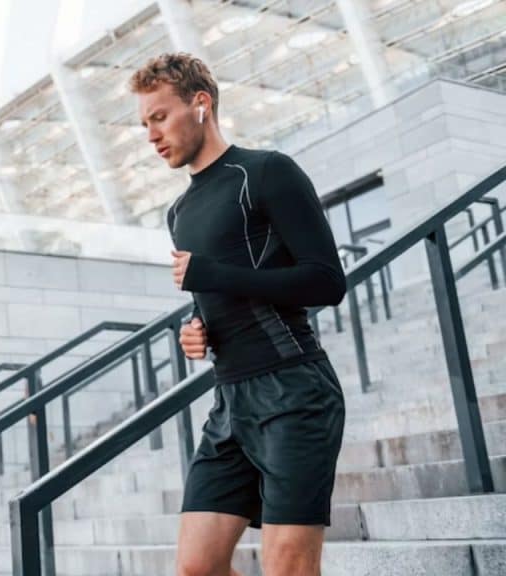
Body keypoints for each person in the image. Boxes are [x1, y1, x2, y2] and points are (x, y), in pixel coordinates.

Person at [130, 53, 348, 576]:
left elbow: (326, 281)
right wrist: (196, 330)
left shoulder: (267, 171)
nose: (151, 135)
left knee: (287, 567)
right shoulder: (178, 212)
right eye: (144, 124)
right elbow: (209, 290)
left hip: (294, 392)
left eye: (160, 117)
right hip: (229, 401)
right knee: (196, 567)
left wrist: (215, 276)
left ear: (200, 104)